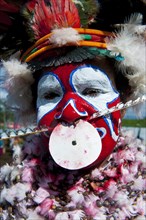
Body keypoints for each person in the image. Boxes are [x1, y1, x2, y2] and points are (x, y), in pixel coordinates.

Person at [0, 0, 145, 219]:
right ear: (34, 106)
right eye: (49, 95)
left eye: (93, 91)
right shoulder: (8, 193)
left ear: (123, 100)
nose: (70, 112)